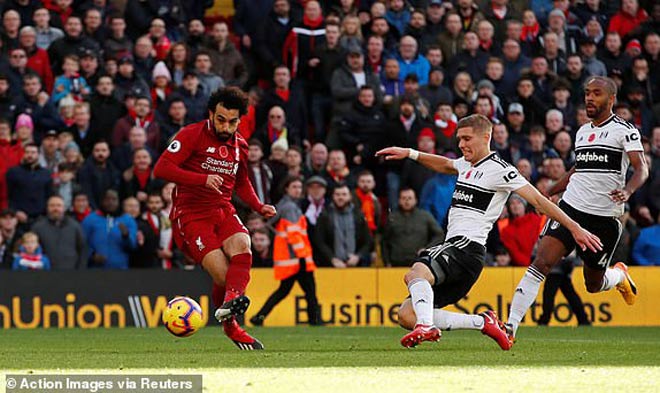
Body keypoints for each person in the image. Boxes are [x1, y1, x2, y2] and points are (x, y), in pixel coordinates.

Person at [376, 114, 601, 350]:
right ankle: (482, 322)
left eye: (466, 138)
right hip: (463, 257)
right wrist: (410, 153)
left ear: (486, 137)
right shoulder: (466, 165)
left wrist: (574, 228)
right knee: (406, 315)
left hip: (465, 247)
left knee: (416, 272)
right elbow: (444, 163)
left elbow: (537, 199)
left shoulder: (500, 170)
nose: (461, 144)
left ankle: (426, 326)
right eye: (459, 139)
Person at [506, 76, 650, 343]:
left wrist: (628, 191)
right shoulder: (582, 132)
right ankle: (510, 328)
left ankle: (619, 275)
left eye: (596, 93)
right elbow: (577, 170)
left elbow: (642, 168)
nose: (589, 98)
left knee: (592, 285)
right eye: (587, 93)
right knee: (541, 262)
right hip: (571, 209)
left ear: (611, 99)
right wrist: (548, 192)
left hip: (604, 218)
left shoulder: (624, 130)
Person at [154, 87, 276, 350]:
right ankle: (230, 319)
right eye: (221, 119)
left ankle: (230, 307)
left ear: (239, 120)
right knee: (222, 276)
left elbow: (241, 180)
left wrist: (258, 205)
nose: (226, 126)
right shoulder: (191, 135)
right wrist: (202, 179)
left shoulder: (239, 145)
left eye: (232, 122)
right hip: (191, 215)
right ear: (211, 113)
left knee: (244, 245)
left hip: (222, 209)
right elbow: (161, 168)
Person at [250, 176, 319, 326]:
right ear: (286, 189)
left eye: (299, 187)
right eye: (294, 187)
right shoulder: (290, 207)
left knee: (283, 291)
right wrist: (303, 256)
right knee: (310, 291)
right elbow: (294, 233)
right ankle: (315, 321)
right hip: (297, 257)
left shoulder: (285, 205)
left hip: (290, 257)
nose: (298, 190)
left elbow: (274, 227)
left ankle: (259, 316)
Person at [31, 195, 86, 270]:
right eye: (52, 205)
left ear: (64, 208)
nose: (55, 208)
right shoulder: (37, 228)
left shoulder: (75, 226)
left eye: (59, 205)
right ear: (47, 208)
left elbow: (82, 250)